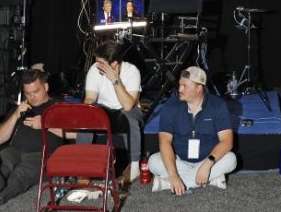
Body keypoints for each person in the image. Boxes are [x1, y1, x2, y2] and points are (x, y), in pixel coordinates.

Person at [0, 67, 62, 211]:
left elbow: (77, 134)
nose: (32, 97)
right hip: (14, 150)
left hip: (42, 154)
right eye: (28, 93)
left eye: (36, 92)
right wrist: (16, 114)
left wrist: (45, 124)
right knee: (2, 163)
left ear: (46, 87)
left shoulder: (59, 107)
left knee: (21, 175)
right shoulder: (21, 108)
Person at [148, 66, 236, 195]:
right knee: (153, 162)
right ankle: (209, 180)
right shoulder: (170, 105)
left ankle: (168, 184)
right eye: (180, 85)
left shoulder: (218, 105)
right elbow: (164, 142)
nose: (179, 90)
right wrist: (173, 174)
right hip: (178, 161)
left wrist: (208, 163)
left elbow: (227, 142)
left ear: (199, 88)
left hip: (208, 160)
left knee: (231, 159)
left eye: (185, 86)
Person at [80, 39, 144, 185]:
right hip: (104, 110)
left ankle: (134, 166)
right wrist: (87, 113)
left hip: (127, 110)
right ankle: (83, 170)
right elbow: (89, 98)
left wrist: (115, 79)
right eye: (97, 61)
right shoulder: (94, 70)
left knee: (128, 115)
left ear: (114, 64)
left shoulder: (131, 71)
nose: (98, 65)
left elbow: (128, 105)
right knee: (86, 116)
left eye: (101, 63)